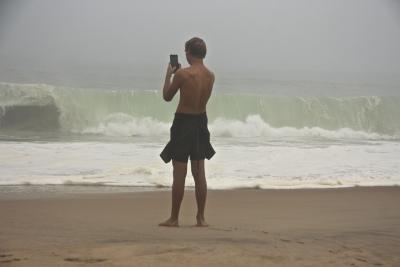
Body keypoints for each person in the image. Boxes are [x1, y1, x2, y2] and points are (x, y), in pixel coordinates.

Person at [158, 37, 215, 227]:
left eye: (185, 51)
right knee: (199, 173)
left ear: (189, 52)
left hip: (183, 124)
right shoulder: (210, 76)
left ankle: (174, 218)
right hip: (201, 123)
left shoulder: (183, 74)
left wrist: (169, 75)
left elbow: (167, 96)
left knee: (179, 174)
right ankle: (201, 217)